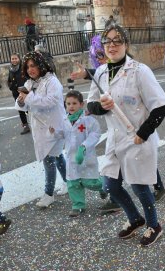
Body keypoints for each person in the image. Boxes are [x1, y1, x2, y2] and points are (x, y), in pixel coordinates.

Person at [87, 24, 165, 246]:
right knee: (110, 185)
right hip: (114, 138)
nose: (112, 45)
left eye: (117, 41)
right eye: (108, 41)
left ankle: (154, 225)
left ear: (126, 44)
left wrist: (143, 134)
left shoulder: (139, 71)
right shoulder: (101, 72)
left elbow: (161, 105)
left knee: (139, 185)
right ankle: (135, 218)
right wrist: (101, 107)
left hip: (137, 138)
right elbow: (90, 103)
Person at [15, 51, 68, 207]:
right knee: (57, 157)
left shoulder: (52, 81)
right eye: (28, 66)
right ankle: (69, 182)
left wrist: (29, 98)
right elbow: (23, 106)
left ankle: (48, 193)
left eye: (34, 65)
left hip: (53, 126)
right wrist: (21, 101)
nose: (31, 69)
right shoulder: (29, 83)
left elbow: (50, 102)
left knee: (49, 159)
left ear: (41, 65)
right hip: (39, 127)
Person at [55, 90, 105, 217]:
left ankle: (103, 186)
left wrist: (84, 146)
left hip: (86, 157)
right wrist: (54, 132)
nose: (71, 106)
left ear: (81, 104)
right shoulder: (65, 120)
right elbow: (62, 134)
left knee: (91, 182)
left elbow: (95, 134)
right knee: (73, 183)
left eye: (74, 103)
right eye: (68, 104)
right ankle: (78, 205)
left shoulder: (88, 120)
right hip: (71, 158)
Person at [7, 53, 30, 135]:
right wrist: (11, 86)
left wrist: (25, 88)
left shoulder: (23, 67)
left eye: (15, 58)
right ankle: (25, 126)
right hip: (15, 92)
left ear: (19, 59)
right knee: (20, 109)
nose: (14, 60)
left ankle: (36, 123)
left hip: (25, 91)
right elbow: (9, 80)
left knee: (29, 108)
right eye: (12, 58)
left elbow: (28, 78)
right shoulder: (10, 68)